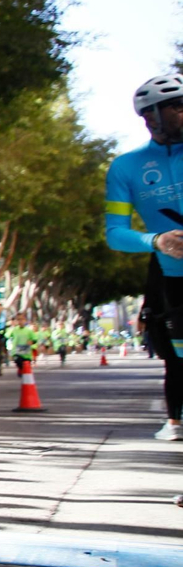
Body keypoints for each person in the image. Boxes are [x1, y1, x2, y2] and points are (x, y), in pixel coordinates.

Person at [105, 72, 183, 441]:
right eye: (177, 107)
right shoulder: (126, 168)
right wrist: (156, 240)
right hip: (174, 280)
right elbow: (115, 233)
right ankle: (175, 422)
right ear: (151, 115)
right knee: (179, 361)